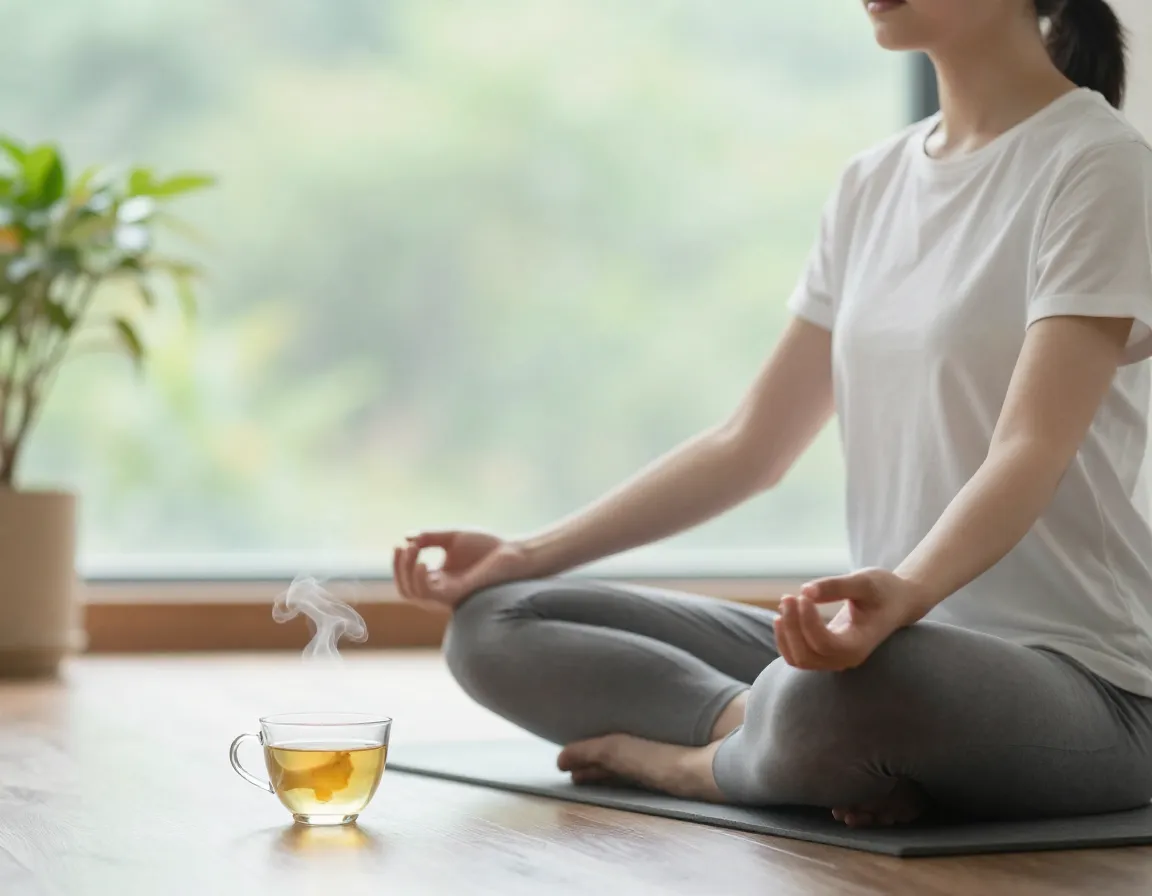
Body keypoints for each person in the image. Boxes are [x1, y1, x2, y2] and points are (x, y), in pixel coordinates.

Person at [392, 0, 1152, 827]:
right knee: (497, 625)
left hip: (1086, 683)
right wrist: (525, 551)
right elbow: (749, 444)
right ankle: (794, 750)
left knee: (838, 696)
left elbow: (1029, 448)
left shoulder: (1099, 165)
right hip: (869, 650)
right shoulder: (872, 182)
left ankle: (706, 765)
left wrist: (903, 592)